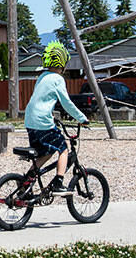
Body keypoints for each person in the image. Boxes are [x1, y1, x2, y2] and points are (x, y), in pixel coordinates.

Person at [23, 41, 88, 192]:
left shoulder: (42, 76)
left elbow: (42, 99)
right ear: (63, 63)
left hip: (30, 121)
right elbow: (66, 103)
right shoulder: (58, 79)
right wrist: (82, 118)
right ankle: (58, 183)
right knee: (63, 149)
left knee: (46, 151)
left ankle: (26, 181)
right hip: (42, 122)